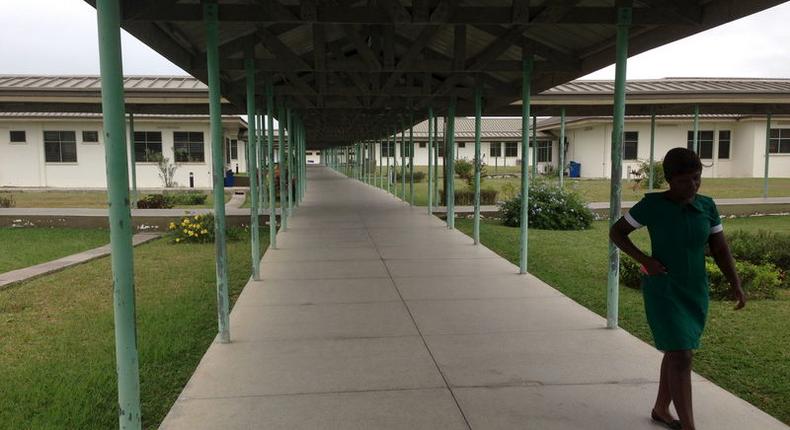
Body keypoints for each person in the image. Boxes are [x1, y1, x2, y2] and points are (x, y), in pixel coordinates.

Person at [609, 147, 746, 430]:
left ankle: (661, 409)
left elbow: (720, 248)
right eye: (685, 180)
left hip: (694, 290)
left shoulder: (707, 206)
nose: (693, 186)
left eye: (697, 178)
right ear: (670, 180)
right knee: (682, 354)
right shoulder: (652, 206)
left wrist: (735, 282)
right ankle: (689, 426)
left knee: (676, 352)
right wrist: (645, 260)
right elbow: (617, 232)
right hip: (664, 289)